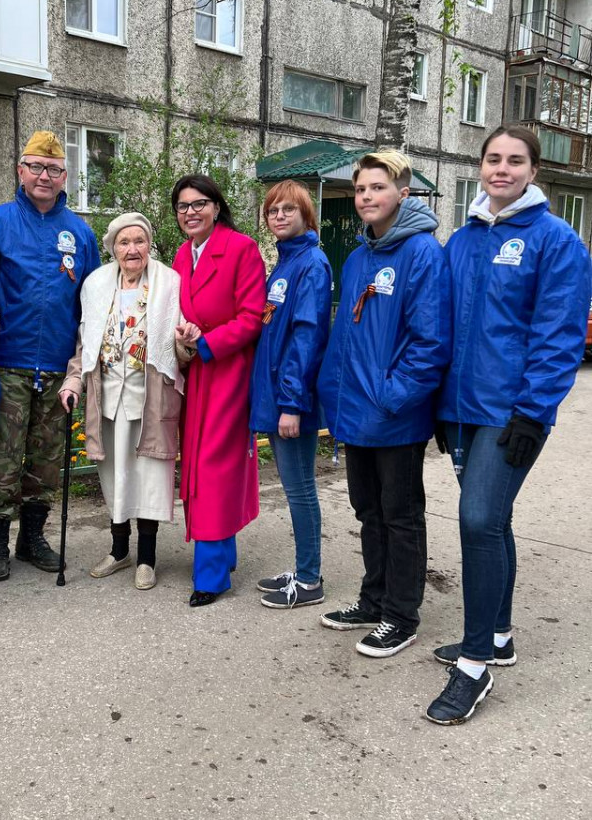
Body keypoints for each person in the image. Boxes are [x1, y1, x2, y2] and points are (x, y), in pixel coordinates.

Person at [426, 125, 591, 724]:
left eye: (514, 160)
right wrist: (441, 408)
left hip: (513, 413)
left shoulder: (555, 240)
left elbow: (559, 334)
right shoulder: (462, 241)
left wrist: (532, 410)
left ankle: (474, 666)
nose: (502, 169)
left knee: (477, 520)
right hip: (463, 411)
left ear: (532, 170)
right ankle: (497, 633)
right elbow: (444, 330)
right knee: (494, 520)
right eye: (493, 159)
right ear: (480, 166)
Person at [317, 150, 451, 657]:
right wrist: (335, 394)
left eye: (377, 187)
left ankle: (401, 615)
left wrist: (390, 396)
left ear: (404, 193)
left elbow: (431, 341)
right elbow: (346, 335)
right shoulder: (356, 258)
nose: (366, 197)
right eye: (360, 189)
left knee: (400, 514)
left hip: (395, 415)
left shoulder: (421, 254)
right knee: (367, 509)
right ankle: (373, 600)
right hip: (356, 413)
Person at [0, 131, 100, 581]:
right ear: (20, 171)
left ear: (65, 176)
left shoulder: (80, 233)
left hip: (57, 368)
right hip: (8, 362)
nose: (44, 176)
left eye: (53, 169)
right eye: (35, 167)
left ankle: (32, 539)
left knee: (47, 460)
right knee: (5, 459)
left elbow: (92, 300)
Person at [58, 212, 183, 589]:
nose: (133, 249)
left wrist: (187, 347)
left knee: (149, 477)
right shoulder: (96, 285)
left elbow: (178, 343)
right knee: (114, 477)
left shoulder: (168, 283)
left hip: (150, 399)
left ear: (149, 245)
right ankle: (118, 550)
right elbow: (86, 343)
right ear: (113, 249)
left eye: (139, 241)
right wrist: (72, 382)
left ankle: (147, 557)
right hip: (108, 397)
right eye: (124, 243)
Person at [172, 174, 265, 606]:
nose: (190, 212)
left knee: (212, 468)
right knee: (194, 465)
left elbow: (251, 317)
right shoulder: (181, 255)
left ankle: (210, 577)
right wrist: (182, 340)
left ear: (217, 206)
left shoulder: (242, 249)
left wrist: (205, 343)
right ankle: (222, 553)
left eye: (199, 204)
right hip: (194, 371)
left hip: (226, 372)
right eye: (183, 206)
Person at [249, 180, 332, 610]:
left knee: (300, 489)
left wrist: (291, 404)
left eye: (287, 210)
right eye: (272, 211)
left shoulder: (311, 265)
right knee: (295, 487)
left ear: (305, 215)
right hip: (282, 395)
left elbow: (307, 337)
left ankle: (309, 579)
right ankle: (304, 567)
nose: (278, 217)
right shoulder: (285, 263)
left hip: (292, 401)